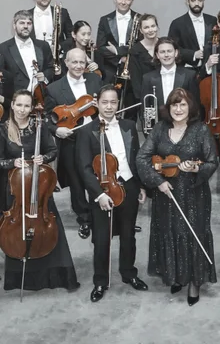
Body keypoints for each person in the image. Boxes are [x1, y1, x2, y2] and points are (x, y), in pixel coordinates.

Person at [137, 88, 218, 305]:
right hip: (166, 194)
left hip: (194, 194)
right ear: (169, 107)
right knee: (170, 232)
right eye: (174, 105)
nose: (179, 109)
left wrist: (194, 170)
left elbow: (212, 162)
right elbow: (142, 158)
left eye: (183, 105)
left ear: (190, 107)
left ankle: (194, 282)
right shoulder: (160, 129)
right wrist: (157, 182)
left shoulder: (201, 130)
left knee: (193, 234)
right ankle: (175, 275)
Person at [0, 90, 79, 292]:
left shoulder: (39, 127)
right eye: (19, 105)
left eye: (27, 106)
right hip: (15, 189)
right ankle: (19, 279)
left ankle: (54, 277)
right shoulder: (3, 129)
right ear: (12, 105)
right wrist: (12, 162)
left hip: (39, 188)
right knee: (15, 232)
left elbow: (52, 151)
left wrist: (42, 159)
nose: (22, 110)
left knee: (50, 229)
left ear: (31, 108)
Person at [77, 85, 149, 302]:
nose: (109, 107)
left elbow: (134, 159)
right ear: (97, 103)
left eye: (113, 102)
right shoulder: (86, 131)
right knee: (102, 238)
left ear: (118, 103)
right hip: (103, 191)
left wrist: (141, 186)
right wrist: (99, 194)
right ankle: (100, 281)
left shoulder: (128, 125)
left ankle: (129, 274)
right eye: (105, 102)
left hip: (129, 186)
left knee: (128, 235)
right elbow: (84, 168)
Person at [44, 47, 103, 239]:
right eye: (74, 62)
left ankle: (101, 214)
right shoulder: (53, 88)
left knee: (98, 175)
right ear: (66, 63)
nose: (78, 66)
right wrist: (56, 130)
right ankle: (84, 218)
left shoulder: (95, 80)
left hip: (95, 137)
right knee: (77, 182)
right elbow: (47, 117)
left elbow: (107, 104)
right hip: (70, 139)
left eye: (82, 62)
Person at [139, 37, 200, 134]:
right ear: (157, 55)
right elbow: (144, 112)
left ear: (176, 53)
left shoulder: (189, 75)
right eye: (162, 52)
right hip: (158, 132)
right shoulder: (148, 78)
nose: (166, 55)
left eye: (169, 51)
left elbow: (195, 107)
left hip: (185, 130)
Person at [0, 10, 55, 101]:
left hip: (40, 98)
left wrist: (45, 76)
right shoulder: (3, 48)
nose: (26, 26)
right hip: (15, 100)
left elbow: (51, 67)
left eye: (29, 23)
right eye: (22, 23)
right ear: (14, 25)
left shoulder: (43, 45)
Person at [26, 0, 73, 76]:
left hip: (58, 61)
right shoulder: (27, 15)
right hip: (34, 60)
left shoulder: (62, 12)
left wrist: (59, 47)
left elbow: (71, 37)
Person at [95, 0, 141, 83]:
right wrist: (120, 60)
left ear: (132, 1)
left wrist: (117, 50)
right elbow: (101, 47)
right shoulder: (104, 20)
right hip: (110, 69)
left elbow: (141, 45)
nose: (123, 2)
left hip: (134, 68)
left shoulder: (139, 19)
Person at [168, 0, 217, 69]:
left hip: (209, 68)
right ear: (187, 2)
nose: (197, 3)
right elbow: (172, 47)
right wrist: (193, 54)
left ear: (203, 1)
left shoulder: (212, 20)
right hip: (187, 69)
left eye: (200, 0)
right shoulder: (177, 23)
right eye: (193, 0)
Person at [128, 14, 160, 103]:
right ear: (141, 30)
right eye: (146, 27)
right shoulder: (135, 51)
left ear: (157, 27)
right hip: (146, 97)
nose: (150, 30)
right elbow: (136, 81)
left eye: (153, 26)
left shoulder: (164, 45)